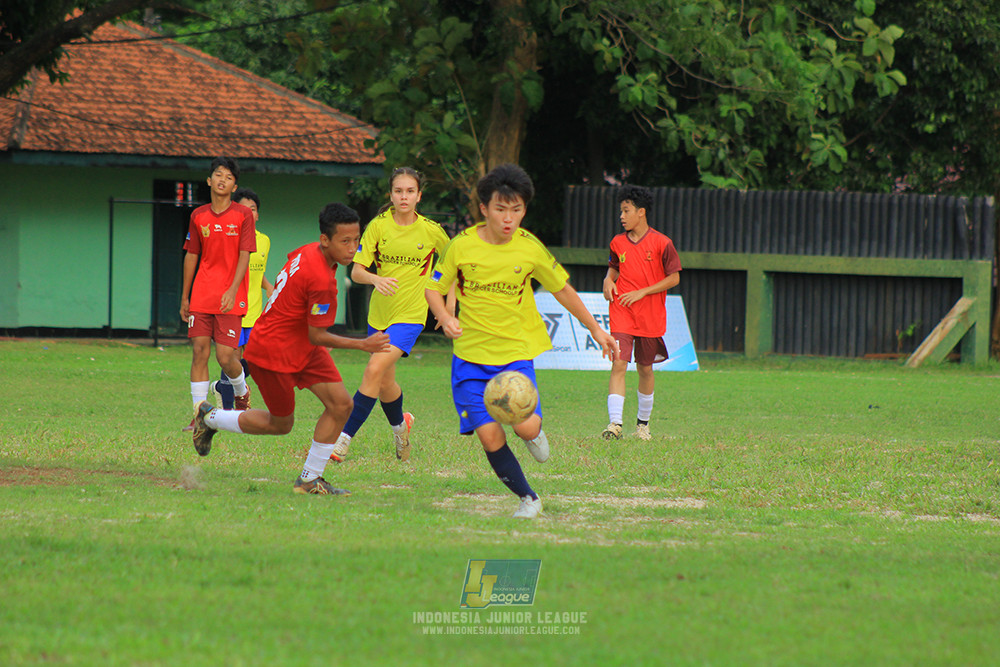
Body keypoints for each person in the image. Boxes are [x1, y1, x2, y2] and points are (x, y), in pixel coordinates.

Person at [425, 164, 618, 519]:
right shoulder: (461, 246)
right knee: (489, 436)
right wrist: (446, 316)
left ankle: (532, 434)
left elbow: (561, 289)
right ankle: (529, 498)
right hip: (470, 359)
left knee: (525, 424)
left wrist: (595, 328)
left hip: (514, 354)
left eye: (516, 210)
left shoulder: (529, 248)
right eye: (501, 209)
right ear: (484, 208)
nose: (508, 218)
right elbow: (433, 288)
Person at [190, 203, 391, 495]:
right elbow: (319, 335)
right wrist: (364, 344)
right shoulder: (322, 280)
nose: (353, 248)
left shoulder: (308, 251)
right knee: (281, 423)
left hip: (303, 346)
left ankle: (309, 479)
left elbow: (306, 319)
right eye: (344, 241)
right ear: (325, 240)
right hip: (272, 352)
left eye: (356, 240)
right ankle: (209, 418)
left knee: (342, 405)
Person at [330, 167, 452, 463]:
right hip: (379, 316)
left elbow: (454, 268)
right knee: (384, 383)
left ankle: (342, 441)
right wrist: (376, 279)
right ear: (391, 195)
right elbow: (357, 271)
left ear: (419, 196)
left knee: (373, 370)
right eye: (399, 191)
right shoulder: (378, 226)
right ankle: (401, 429)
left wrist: (448, 309)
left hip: (410, 316)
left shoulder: (432, 231)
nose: (404, 196)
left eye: (410, 191)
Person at [601, 184, 682, 441]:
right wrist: (608, 280)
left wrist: (643, 292)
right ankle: (615, 425)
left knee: (645, 368)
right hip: (622, 311)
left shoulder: (662, 243)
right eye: (620, 211)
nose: (621, 216)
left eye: (626, 211)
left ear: (641, 212)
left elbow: (674, 278)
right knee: (619, 363)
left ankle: (643, 426)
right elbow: (614, 268)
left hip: (649, 316)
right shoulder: (617, 242)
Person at [180, 156, 255, 429]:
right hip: (202, 294)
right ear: (209, 180)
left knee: (226, 357)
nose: (223, 180)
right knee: (199, 351)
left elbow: (245, 255)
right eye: (219, 175)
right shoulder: (197, 216)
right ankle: (199, 413)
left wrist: (233, 289)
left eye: (229, 177)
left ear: (234, 186)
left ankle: (241, 390)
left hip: (230, 296)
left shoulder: (243, 215)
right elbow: (191, 255)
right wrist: (185, 296)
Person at [212, 187, 274, 409]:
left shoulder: (264, 241)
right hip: (233, 310)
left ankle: (223, 387)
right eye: (244, 209)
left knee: (256, 360)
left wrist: (269, 287)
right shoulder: (228, 239)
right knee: (231, 358)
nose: (250, 213)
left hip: (256, 310)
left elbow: (257, 270)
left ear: (258, 215)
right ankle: (229, 409)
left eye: (254, 209)